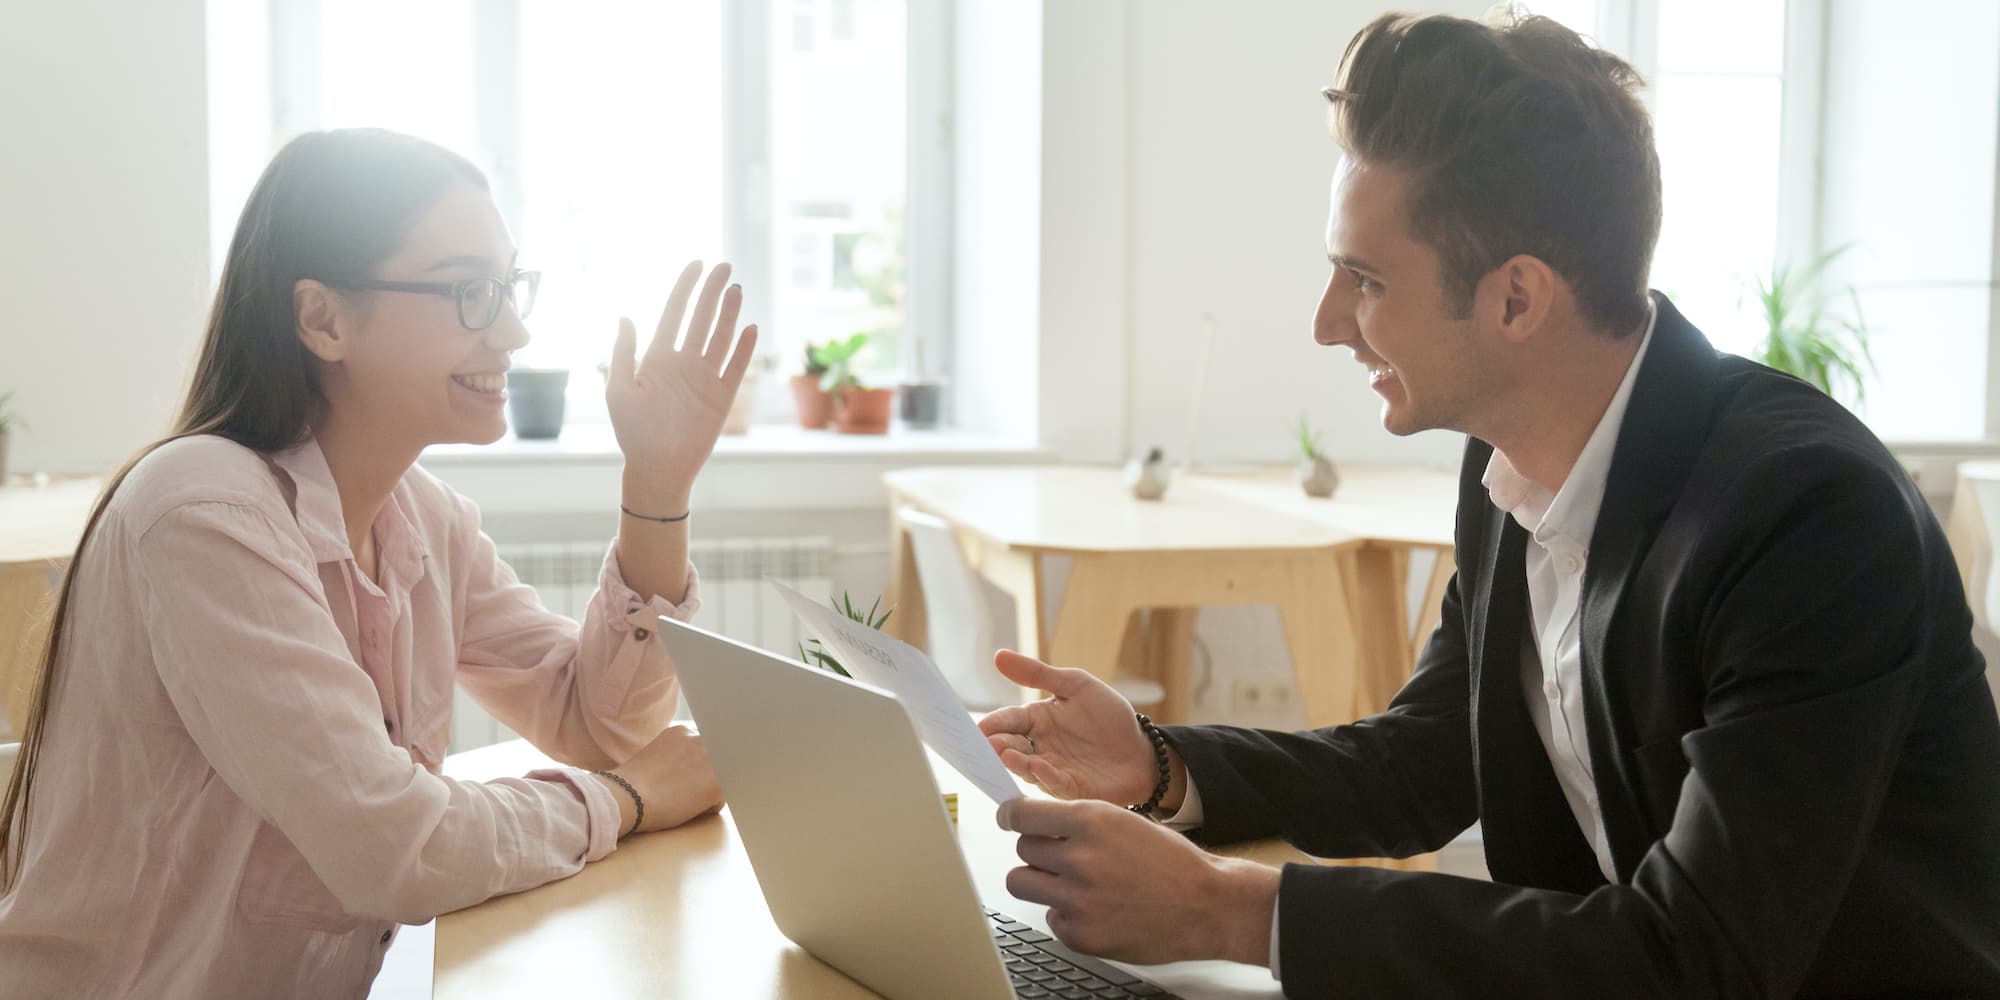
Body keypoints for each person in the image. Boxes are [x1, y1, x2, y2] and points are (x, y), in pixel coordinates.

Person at [978, 10, 2000, 997]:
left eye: (1363, 280)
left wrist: (1229, 911)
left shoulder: (1806, 518)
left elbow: (1699, 959)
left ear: (1515, 298)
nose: (1328, 323)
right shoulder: (1506, 463)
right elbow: (1419, 763)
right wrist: (1155, 765)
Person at [0, 128, 756, 997]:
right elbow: (395, 846)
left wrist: (656, 485)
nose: (512, 328)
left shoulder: (422, 518)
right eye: (469, 291)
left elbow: (594, 720)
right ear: (322, 318)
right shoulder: (202, 512)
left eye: (508, 286)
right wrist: (625, 801)